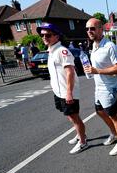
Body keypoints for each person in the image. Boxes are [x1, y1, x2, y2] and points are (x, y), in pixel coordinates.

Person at [37, 22, 88, 154]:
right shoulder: (51, 51)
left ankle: (83, 141)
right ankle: (79, 135)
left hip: (67, 92)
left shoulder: (62, 51)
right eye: (42, 35)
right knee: (69, 116)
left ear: (57, 36)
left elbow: (70, 72)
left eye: (48, 35)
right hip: (59, 92)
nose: (44, 38)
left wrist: (69, 93)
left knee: (75, 117)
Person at [83, 18, 117, 156]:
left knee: (114, 115)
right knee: (99, 112)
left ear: (101, 29)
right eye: (87, 29)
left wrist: (98, 71)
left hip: (110, 89)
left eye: (92, 28)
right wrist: (90, 70)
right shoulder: (94, 46)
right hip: (98, 88)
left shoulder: (110, 46)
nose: (89, 31)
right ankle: (114, 134)